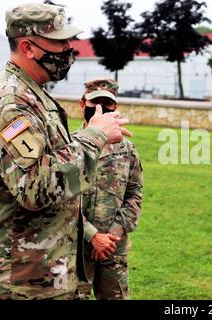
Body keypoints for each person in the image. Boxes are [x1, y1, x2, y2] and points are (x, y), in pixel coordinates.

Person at [0, 3, 131, 300]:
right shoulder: (13, 104)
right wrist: (95, 136)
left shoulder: (34, 95)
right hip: (22, 282)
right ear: (28, 47)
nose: (70, 48)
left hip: (46, 272)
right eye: (60, 42)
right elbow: (35, 186)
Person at [75, 79, 143, 300]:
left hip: (114, 249)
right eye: (95, 103)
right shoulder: (69, 146)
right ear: (82, 105)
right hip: (76, 248)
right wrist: (93, 236)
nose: (100, 109)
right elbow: (60, 201)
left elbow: (134, 194)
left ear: (116, 108)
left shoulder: (127, 149)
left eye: (107, 103)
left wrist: (112, 235)